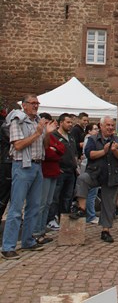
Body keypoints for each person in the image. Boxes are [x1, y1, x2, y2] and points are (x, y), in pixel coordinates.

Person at [1, 94, 57, 259]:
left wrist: (46, 134)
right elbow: (17, 145)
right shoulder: (17, 120)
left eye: (37, 103)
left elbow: (45, 146)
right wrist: (38, 133)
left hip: (38, 165)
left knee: (34, 206)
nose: (36, 105)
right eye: (32, 103)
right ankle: (8, 246)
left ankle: (28, 240)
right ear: (24, 105)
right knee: (16, 208)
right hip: (22, 166)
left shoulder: (37, 120)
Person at [70, 116, 118, 243]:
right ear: (101, 126)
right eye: (108, 125)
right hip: (95, 173)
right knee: (83, 179)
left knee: (109, 204)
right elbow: (89, 154)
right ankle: (82, 209)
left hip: (112, 176)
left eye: (112, 125)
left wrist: (115, 150)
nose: (110, 127)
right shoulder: (92, 139)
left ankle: (105, 231)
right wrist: (104, 151)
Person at [33, 112, 65, 244]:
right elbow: (47, 153)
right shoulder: (41, 135)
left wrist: (55, 149)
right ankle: (36, 232)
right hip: (45, 172)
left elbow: (62, 150)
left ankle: (42, 230)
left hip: (53, 172)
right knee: (41, 204)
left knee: (47, 203)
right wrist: (54, 151)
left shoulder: (52, 136)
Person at [47, 113, 78, 230]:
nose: (70, 125)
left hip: (71, 171)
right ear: (61, 123)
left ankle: (64, 219)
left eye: (71, 122)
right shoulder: (53, 135)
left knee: (67, 196)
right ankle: (51, 219)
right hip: (59, 170)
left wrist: (76, 166)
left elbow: (74, 153)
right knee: (55, 196)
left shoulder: (71, 137)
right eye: (68, 122)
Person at [81, 123, 100, 224]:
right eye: (95, 129)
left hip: (88, 168)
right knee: (92, 193)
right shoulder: (90, 139)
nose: (97, 131)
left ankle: (90, 214)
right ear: (89, 131)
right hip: (90, 169)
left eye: (97, 129)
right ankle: (90, 215)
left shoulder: (89, 139)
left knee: (92, 193)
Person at [0, 114, 12, 224]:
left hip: (9, 162)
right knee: (4, 195)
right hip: (6, 163)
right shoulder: (5, 127)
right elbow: (14, 140)